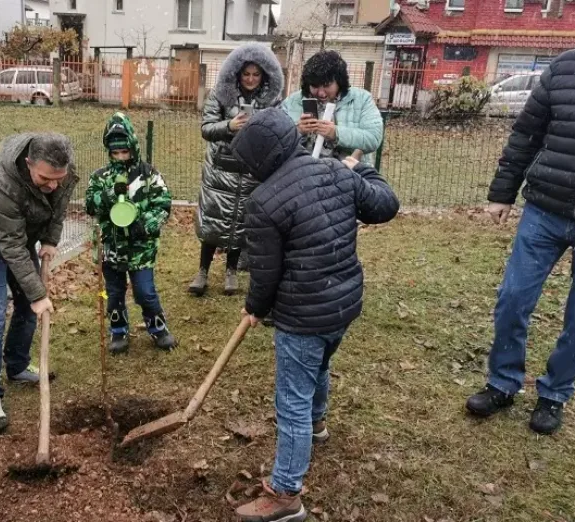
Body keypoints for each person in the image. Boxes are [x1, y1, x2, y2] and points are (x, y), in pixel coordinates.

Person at [230, 109, 399, 522]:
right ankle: (318, 424)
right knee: (318, 365)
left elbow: (265, 274)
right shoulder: (336, 172)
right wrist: (361, 170)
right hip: (342, 306)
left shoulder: (263, 202)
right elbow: (385, 205)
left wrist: (255, 307)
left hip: (302, 316)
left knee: (292, 401)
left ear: (260, 161)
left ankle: (286, 494)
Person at [466, 5, 575, 435]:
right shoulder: (567, 67)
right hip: (544, 210)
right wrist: (501, 193)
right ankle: (502, 382)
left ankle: (554, 394)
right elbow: (526, 135)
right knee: (513, 299)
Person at [0, 132, 78, 432]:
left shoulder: (61, 169)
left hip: (19, 236)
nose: (53, 185)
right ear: (28, 163)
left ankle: (17, 364)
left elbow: (59, 206)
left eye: (58, 179)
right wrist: (38, 294)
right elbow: (10, 246)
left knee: (27, 304)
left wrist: (50, 239)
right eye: (45, 179)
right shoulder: (1, 182)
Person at [189, 42, 284, 296]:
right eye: (246, 74)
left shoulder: (272, 101)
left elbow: (278, 130)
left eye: (256, 74)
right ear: (237, 73)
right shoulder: (220, 94)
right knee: (213, 219)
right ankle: (202, 271)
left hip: (250, 168)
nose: (251, 79)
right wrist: (230, 126)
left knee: (239, 221)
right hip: (220, 170)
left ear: (264, 75)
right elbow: (206, 128)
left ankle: (231, 271)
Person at [85, 112, 176, 354]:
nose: (120, 157)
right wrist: (109, 195)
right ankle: (118, 330)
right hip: (111, 248)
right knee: (114, 292)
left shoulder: (148, 175)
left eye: (124, 152)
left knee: (145, 291)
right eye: (115, 153)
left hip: (141, 249)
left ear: (133, 148)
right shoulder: (101, 177)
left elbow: (163, 205)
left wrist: (145, 225)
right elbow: (90, 205)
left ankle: (158, 327)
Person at [281, 50, 383, 165]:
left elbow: (373, 138)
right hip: (303, 171)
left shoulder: (361, 99)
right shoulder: (292, 102)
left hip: (350, 172)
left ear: (339, 81)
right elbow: (276, 141)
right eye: (315, 86)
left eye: (327, 85)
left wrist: (336, 133)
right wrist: (298, 131)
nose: (321, 93)